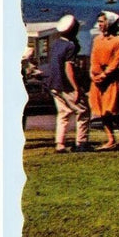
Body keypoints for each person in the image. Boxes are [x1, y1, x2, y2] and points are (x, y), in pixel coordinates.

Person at [43, 14, 91, 153]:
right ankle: (81, 143)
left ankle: (60, 144)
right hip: (65, 84)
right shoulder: (70, 47)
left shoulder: (56, 44)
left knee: (63, 113)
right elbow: (68, 68)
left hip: (53, 83)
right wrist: (77, 88)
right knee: (83, 111)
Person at [88, 10, 119, 150]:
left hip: (111, 80)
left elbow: (115, 61)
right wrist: (93, 74)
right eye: (99, 22)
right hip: (98, 80)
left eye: (102, 22)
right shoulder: (97, 39)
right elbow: (93, 58)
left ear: (109, 23)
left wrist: (104, 75)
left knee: (111, 111)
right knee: (102, 112)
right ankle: (111, 139)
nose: (99, 24)